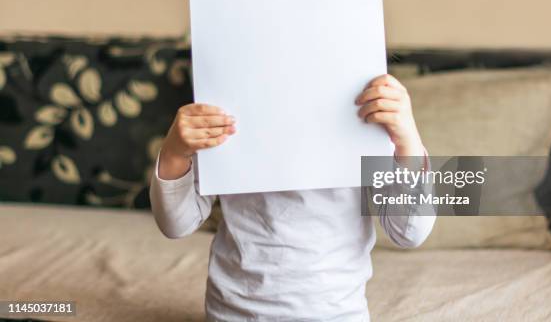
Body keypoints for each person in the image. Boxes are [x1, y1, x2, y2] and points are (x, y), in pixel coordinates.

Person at [150, 73, 436, 321]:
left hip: (337, 314)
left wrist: (407, 140)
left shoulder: (364, 113)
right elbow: (177, 224)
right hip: (234, 313)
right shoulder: (228, 107)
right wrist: (176, 151)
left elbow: (410, 231)